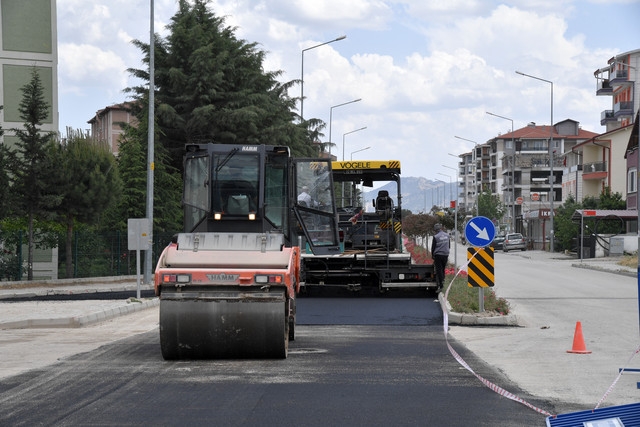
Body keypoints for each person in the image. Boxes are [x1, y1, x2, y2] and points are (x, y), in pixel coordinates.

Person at [431, 223, 450, 292]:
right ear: (441, 228)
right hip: (445, 255)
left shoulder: (436, 237)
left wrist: (432, 255)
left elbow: (433, 247)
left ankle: (441, 286)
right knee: (443, 269)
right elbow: (449, 246)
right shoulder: (447, 235)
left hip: (438, 255)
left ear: (435, 230)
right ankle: (443, 282)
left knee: (439, 270)